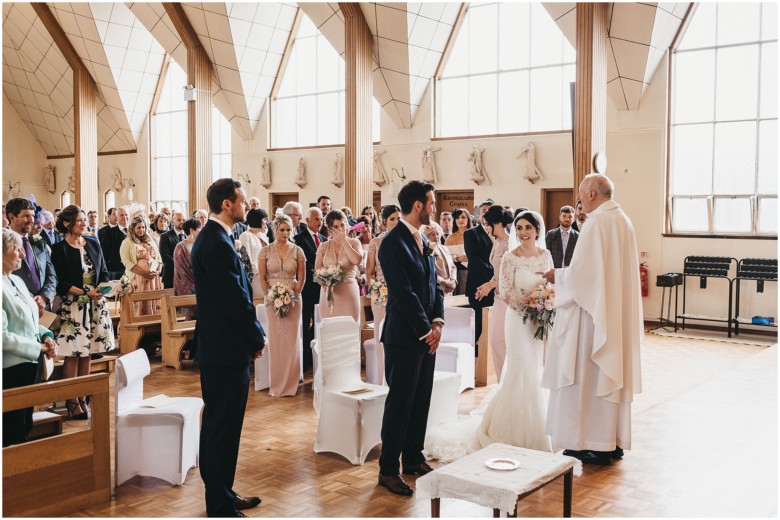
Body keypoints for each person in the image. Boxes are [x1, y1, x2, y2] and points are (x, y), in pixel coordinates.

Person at [425, 211, 553, 463]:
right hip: (517, 319)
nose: (524, 231)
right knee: (519, 368)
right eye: (519, 227)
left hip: (538, 320)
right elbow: (505, 292)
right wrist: (530, 306)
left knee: (535, 369)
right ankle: (508, 428)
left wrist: (545, 302)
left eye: (528, 227)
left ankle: (537, 426)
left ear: (537, 230)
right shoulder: (509, 257)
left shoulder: (545, 255)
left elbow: (549, 286)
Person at [542, 174, 643, 466]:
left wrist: (556, 277)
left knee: (586, 377)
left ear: (592, 193)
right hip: (612, 311)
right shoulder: (622, 219)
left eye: (582, 194)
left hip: (592, 316)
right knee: (604, 376)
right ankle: (610, 441)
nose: (580, 201)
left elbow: (581, 277)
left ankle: (589, 443)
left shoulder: (598, 222)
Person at [192, 178, 265, 517]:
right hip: (223, 350)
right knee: (221, 425)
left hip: (224, 347)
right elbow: (234, 299)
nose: (246, 204)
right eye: (241, 199)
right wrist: (256, 336)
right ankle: (218, 504)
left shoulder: (218, 237)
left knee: (227, 424)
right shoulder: (216, 241)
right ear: (226, 204)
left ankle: (225, 491)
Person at [377, 180, 444, 496]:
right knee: (400, 401)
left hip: (426, 334)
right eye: (431, 202)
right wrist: (425, 330)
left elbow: (436, 286)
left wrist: (438, 321)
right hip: (404, 336)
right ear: (418, 205)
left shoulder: (424, 240)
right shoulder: (392, 243)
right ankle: (388, 469)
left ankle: (413, 457)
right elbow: (402, 293)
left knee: (422, 398)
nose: (435, 208)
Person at [50, 205, 114, 420]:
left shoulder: (94, 243)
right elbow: (60, 282)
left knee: (87, 352)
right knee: (73, 353)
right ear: (67, 223)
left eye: (85, 219)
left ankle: (83, 396)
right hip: (73, 305)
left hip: (95, 304)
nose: (84, 223)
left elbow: (103, 270)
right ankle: (71, 400)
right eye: (79, 220)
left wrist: (104, 289)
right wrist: (86, 292)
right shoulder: (59, 249)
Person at [3, 228, 58, 446]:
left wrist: (45, 336)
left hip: (28, 364)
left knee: (25, 423)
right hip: (9, 369)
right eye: (17, 249)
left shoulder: (16, 280)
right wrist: (38, 348)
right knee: (10, 428)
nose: (23, 254)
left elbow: (30, 318)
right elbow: (3, 337)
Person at [257, 211, 305, 397]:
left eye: (288, 230)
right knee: (276, 339)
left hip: (293, 298)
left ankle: (291, 383)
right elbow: (262, 277)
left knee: (292, 340)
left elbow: (301, 277)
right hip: (272, 298)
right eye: (282, 230)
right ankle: (276, 383)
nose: (286, 233)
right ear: (275, 230)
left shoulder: (298, 250)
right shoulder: (265, 251)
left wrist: (294, 293)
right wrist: (271, 295)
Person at [474, 205, 513, 380]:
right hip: (497, 297)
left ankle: (506, 382)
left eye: (488, 224)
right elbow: (496, 272)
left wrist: (492, 285)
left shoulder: (509, 243)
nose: (486, 228)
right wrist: (487, 285)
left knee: (501, 342)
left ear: (497, 223)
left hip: (508, 299)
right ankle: (501, 382)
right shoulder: (496, 242)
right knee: (496, 342)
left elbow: (510, 276)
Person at [365, 204, 401, 378]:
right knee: (381, 333)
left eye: (399, 219)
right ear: (384, 221)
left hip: (401, 293)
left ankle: (398, 376)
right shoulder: (376, 242)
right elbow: (369, 272)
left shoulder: (406, 240)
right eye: (392, 219)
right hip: (381, 293)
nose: (396, 222)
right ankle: (382, 378)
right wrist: (377, 289)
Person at [5, 198, 57, 314]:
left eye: (33, 215)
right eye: (26, 216)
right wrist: (31, 300)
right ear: (12, 217)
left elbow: (52, 274)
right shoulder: (3, 243)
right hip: (17, 308)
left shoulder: (39, 242)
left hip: (43, 307)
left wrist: (44, 297)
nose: (31, 220)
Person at [314, 210, 363, 321]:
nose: (340, 229)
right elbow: (317, 271)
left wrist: (344, 241)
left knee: (349, 327)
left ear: (346, 225)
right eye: (336, 227)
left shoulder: (355, 242)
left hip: (348, 291)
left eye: (342, 225)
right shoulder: (323, 246)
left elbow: (357, 260)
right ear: (330, 230)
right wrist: (325, 282)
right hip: (329, 293)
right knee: (329, 328)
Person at [292, 207, 324, 372]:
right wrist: (318, 272)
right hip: (307, 288)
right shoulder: (299, 239)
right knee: (305, 323)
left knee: (320, 323)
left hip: (322, 290)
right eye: (317, 219)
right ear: (308, 220)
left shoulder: (324, 239)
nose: (320, 222)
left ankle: (317, 357)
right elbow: (302, 264)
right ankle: (304, 359)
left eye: (321, 219)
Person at [463, 200, 495, 344]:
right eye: (484, 211)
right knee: (479, 324)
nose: (486, 214)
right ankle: (476, 357)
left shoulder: (500, 232)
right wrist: (495, 275)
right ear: (479, 214)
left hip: (497, 287)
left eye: (489, 211)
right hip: (478, 284)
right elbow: (474, 259)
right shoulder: (471, 234)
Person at [120, 215, 162, 316]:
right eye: (138, 227)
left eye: (143, 227)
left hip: (152, 279)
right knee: (139, 308)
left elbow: (159, 259)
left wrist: (157, 272)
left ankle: (152, 329)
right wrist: (144, 274)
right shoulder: (127, 242)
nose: (141, 230)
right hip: (137, 278)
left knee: (153, 305)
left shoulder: (150, 240)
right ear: (133, 228)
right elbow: (127, 262)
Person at [239, 208, 270, 297]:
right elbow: (247, 260)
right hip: (255, 278)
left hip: (268, 277)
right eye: (264, 219)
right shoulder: (245, 236)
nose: (266, 222)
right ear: (257, 220)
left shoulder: (263, 236)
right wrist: (262, 272)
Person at [443, 207, 471, 296]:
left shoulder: (473, 235)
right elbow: (444, 258)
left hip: (473, 270)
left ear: (468, 219)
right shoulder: (450, 238)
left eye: (463, 217)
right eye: (457, 218)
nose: (460, 220)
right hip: (458, 271)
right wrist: (457, 258)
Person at [423, 224, 456, 297]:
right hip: (437, 286)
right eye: (433, 235)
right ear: (427, 237)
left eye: (437, 234)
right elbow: (430, 269)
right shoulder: (427, 250)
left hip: (450, 286)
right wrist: (444, 282)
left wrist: (453, 281)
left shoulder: (444, 248)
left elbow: (453, 266)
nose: (436, 237)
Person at [173, 218, 201, 298]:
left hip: (200, 286)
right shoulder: (180, 247)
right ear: (192, 230)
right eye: (199, 229)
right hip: (185, 286)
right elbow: (179, 269)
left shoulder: (200, 245)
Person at [159, 210, 186, 289]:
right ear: (172, 221)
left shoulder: (188, 235)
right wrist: (180, 266)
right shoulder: (165, 236)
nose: (182, 222)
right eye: (179, 220)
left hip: (186, 277)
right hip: (171, 276)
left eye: (184, 220)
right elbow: (165, 256)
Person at [101, 206, 129, 279]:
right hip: (116, 270)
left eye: (126, 215)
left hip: (131, 269)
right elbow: (104, 253)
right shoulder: (109, 232)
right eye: (121, 215)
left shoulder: (133, 231)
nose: (124, 217)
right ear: (117, 217)